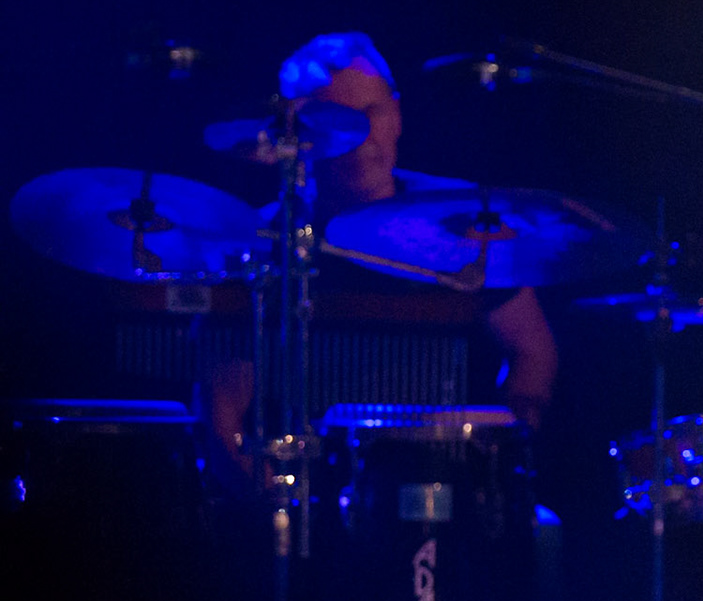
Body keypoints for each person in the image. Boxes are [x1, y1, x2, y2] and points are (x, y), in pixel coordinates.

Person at [201, 32, 559, 470]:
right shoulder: (263, 242)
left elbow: (531, 349)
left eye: (372, 113)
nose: (362, 138)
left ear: (397, 115)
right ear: (295, 133)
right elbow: (228, 390)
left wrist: (505, 461)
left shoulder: (462, 223)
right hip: (309, 484)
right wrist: (249, 476)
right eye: (338, 120)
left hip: (444, 477)